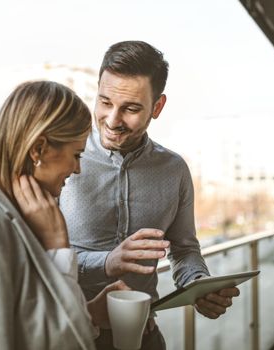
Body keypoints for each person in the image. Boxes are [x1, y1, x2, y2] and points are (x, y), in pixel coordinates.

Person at [59, 41, 240, 349]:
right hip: (70, 333)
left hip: (144, 337)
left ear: (157, 107)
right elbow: (37, 255)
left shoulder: (174, 170)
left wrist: (198, 285)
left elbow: (183, 248)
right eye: (104, 102)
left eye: (130, 108)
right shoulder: (62, 156)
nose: (113, 120)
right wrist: (107, 262)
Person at [0, 81, 128, 350]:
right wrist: (58, 247)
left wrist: (89, 313)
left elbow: (31, 326)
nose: (77, 169)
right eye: (76, 154)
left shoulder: (19, 218)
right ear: (38, 149)